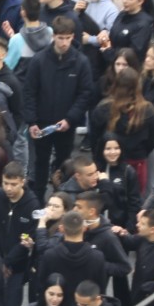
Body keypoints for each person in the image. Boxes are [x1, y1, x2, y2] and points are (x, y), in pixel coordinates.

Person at [23, 18, 95, 197]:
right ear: (53, 36)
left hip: (65, 125)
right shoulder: (39, 60)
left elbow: (85, 94)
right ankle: (38, 200)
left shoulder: (81, 62)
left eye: (68, 38)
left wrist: (70, 118)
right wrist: (32, 121)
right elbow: (29, 92)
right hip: (42, 123)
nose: (64, 42)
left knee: (64, 164)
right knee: (40, 164)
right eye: (60, 38)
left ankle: (61, 199)